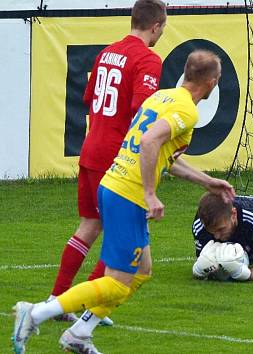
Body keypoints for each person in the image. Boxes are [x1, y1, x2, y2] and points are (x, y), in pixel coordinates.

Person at [12, 50, 235, 354]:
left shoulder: (161, 98)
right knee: (117, 282)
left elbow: (162, 155)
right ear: (212, 82)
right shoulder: (187, 111)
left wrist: (206, 181)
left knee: (141, 272)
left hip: (114, 185)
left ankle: (79, 333)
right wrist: (149, 193)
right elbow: (149, 142)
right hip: (127, 195)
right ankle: (36, 313)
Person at [49, 0, 167, 326]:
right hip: (115, 157)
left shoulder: (106, 53)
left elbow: (89, 100)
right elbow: (141, 115)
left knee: (89, 225)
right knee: (117, 234)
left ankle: (57, 298)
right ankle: (87, 307)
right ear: (156, 26)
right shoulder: (147, 59)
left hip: (91, 148)